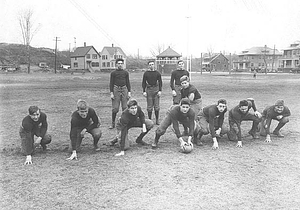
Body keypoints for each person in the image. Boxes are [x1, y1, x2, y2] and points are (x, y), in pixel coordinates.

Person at [109, 58, 131, 129]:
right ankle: (113, 123)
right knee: (115, 108)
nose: (120, 65)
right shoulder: (113, 73)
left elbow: (128, 82)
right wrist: (111, 93)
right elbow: (111, 83)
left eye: (121, 63)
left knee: (125, 107)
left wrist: (129, 92)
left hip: (124, 89)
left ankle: (125, 123)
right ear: (116, 64)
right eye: (119, 63)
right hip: (116, 89)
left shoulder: (126, 73)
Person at [142, 60, 162, 125]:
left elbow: (160, 82)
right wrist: (144, 91)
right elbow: (143, 82)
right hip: (149, 90)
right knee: (149, 106)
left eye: (152, 64)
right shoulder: (146, 73)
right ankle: (150, 120)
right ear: (148, 66)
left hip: (156, 89)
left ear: (154, 65)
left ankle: (157, 120)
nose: (151, 66)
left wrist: (160, 90)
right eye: (150, 64)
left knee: (156, 106)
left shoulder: (157, 73)